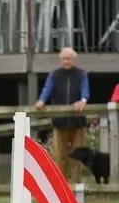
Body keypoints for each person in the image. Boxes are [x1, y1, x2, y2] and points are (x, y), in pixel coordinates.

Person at [34, 47, 90, 182]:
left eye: (69, 58)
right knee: (60, 156)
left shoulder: (81, 74)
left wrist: (83, 100)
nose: (67, 61)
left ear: (74, 60)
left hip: (78, 122)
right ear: (61, 60)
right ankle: (60, 187)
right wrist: (41, 101)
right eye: (64, 58)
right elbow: (47, 89)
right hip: (60, 122)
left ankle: (77, 186)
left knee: (78, 156)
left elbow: (85, 90)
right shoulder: (54, 75)